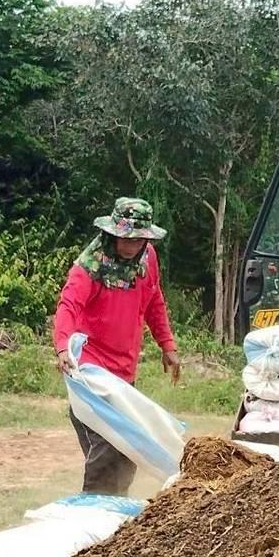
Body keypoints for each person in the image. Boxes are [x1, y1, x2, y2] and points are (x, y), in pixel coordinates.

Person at [53, 197, 181, 495]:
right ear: (112, 233)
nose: (130, 246)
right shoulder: (90, 265)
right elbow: (68, 306)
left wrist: (167, 344)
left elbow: (154, 301)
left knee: (125, 452)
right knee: (111, 446)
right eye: (125, 238)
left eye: (138, 239)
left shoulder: (147, 260)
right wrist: (62, 347)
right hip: (90, 372)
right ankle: (93, 513)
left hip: (124, 372)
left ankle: (113, 516)